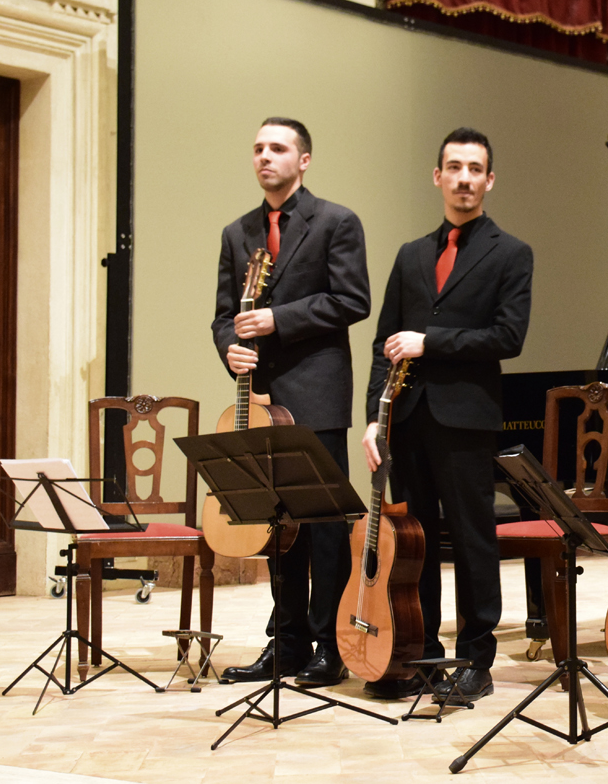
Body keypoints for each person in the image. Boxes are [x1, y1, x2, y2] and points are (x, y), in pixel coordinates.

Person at [362, 127, 532, 703]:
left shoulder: (510, 253)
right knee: (416, 543)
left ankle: (477, 660)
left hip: (465, 420)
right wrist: (374, 417)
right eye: (454, 167)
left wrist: (429, 342)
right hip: (406, 418)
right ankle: (425, 652)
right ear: (437, 176)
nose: (464, 178)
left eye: (474, 169)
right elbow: (384, 341)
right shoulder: (411, 254)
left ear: (490, 180)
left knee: (471, 539)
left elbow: (508, 337)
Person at [212, 117, 371, 687]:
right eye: (258, 148)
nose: (265, 157)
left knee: (323, 526)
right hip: (260, 397)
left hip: (317, 393)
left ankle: (330, 644)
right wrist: (231, 349)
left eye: (277, 148)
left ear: (303, 160)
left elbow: (352, 300)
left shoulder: (335, 221)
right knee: (277, 526)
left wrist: (278, 319)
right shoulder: (237, 232)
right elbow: (223, 316)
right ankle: (286, 643)